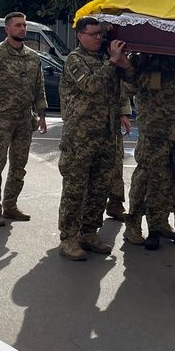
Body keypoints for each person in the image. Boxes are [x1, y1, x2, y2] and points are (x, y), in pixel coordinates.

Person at [57, 16, 131, 261]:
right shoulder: (74, 60)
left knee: (99, 188)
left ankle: (89, 231)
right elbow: (90, 85)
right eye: (93, 34)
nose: (98, 38)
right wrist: (112, 62)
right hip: (80, 136)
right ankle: (68, 237)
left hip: (105, 135)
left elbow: (129, 83)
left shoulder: (105, 58)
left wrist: (123, 63)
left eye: (101, 34)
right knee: (75, 190)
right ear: (80, 36)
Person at [0, 12, 49, 227]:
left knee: (19, 165)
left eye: (24, 25)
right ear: (7, 29)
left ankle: (10, 205)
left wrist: (42, 115)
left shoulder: (33, 57)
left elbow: (39, 87)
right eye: (18, 25)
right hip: (0, 120)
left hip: (24, 120)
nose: (22, 29)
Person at [123, 53, 175, 250]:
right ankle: (134, 224)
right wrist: (171, 76)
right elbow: (132, 83)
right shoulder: (144, 58)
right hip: (154, 131)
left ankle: (168, 224)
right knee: (148, 178)